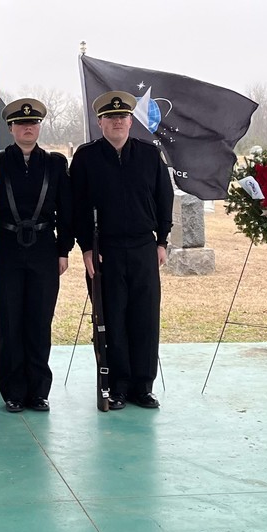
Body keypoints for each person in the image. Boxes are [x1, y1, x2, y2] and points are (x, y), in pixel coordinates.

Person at [70, 91, 172, 410]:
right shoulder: (86, 158)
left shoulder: (149, 155)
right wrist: (86, 247)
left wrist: (162, 240)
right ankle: (116, 385)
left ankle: (143, 386)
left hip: (143, 247)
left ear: (130, 121)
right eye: (111, 117)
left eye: (123, 117)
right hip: (105, 251)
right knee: (111, 318)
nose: (117, 122)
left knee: (144, 318)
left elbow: (164, 198)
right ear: (100, 122)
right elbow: (77, 207)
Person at [0, 98, 72, 412]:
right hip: (6, 251)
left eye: (33, 123)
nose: (27, 128)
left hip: (43, 251)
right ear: (10, 128)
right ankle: (13, 391)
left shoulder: (54, 163)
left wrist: (63, 250)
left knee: (39, 322)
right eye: (21, 124)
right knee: (10, 323)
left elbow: (67, 211)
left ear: (38, 127)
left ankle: (38, 391)